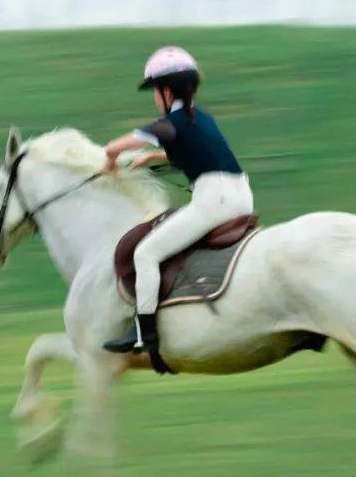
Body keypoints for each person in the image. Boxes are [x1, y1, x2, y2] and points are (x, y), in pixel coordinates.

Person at [102, 46, 252, 356]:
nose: (155, 98)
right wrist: (151, 159)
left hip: (214, 202)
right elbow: (194, 151)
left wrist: (110, 162)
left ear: (166, 91)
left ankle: (145, 334)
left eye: (155, 91)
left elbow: (113, 147)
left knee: (145, 254)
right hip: (241, 196)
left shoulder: (168, 124)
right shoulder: (203, 119)